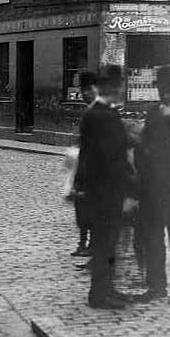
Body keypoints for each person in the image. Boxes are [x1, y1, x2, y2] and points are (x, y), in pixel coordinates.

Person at [74, 64, 133, 308]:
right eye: (117, 86)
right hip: (104, 191)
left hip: (107, 190)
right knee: (104, 243)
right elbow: (107, 156)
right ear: (110, 86)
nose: (119, 90)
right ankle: (100, 294)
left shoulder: (104, 112)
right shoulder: (98, 115)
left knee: (108, 243)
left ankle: (107, 288)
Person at [133, 64, 170, 302]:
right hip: (154, 189)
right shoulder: (152, 114)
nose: (166, 93)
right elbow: (142, 149)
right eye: (162, 88)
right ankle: (157, 287)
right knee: (153, 239)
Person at [69, 70, 99, 258]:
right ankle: (83, 243)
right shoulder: (88, 111)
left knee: (92, 208)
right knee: (81, 207)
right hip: (84, 167)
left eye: (89, 89)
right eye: (83, 89)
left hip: (96, 169)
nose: (85, 93)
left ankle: (92, 244)